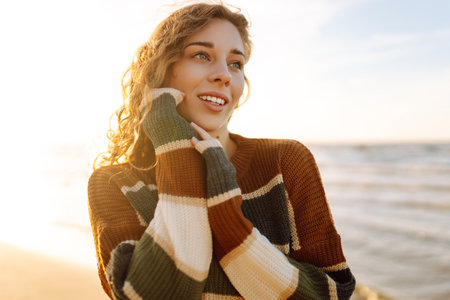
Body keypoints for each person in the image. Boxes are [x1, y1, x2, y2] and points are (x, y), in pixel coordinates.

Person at [88, 2, 356, 300]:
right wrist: (178, 154)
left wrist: (228, 217)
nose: (224, 75)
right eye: (202, 55)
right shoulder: (113, 184)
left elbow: (333, 293)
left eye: (235, 63)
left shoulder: (284, 161)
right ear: (163, 70)